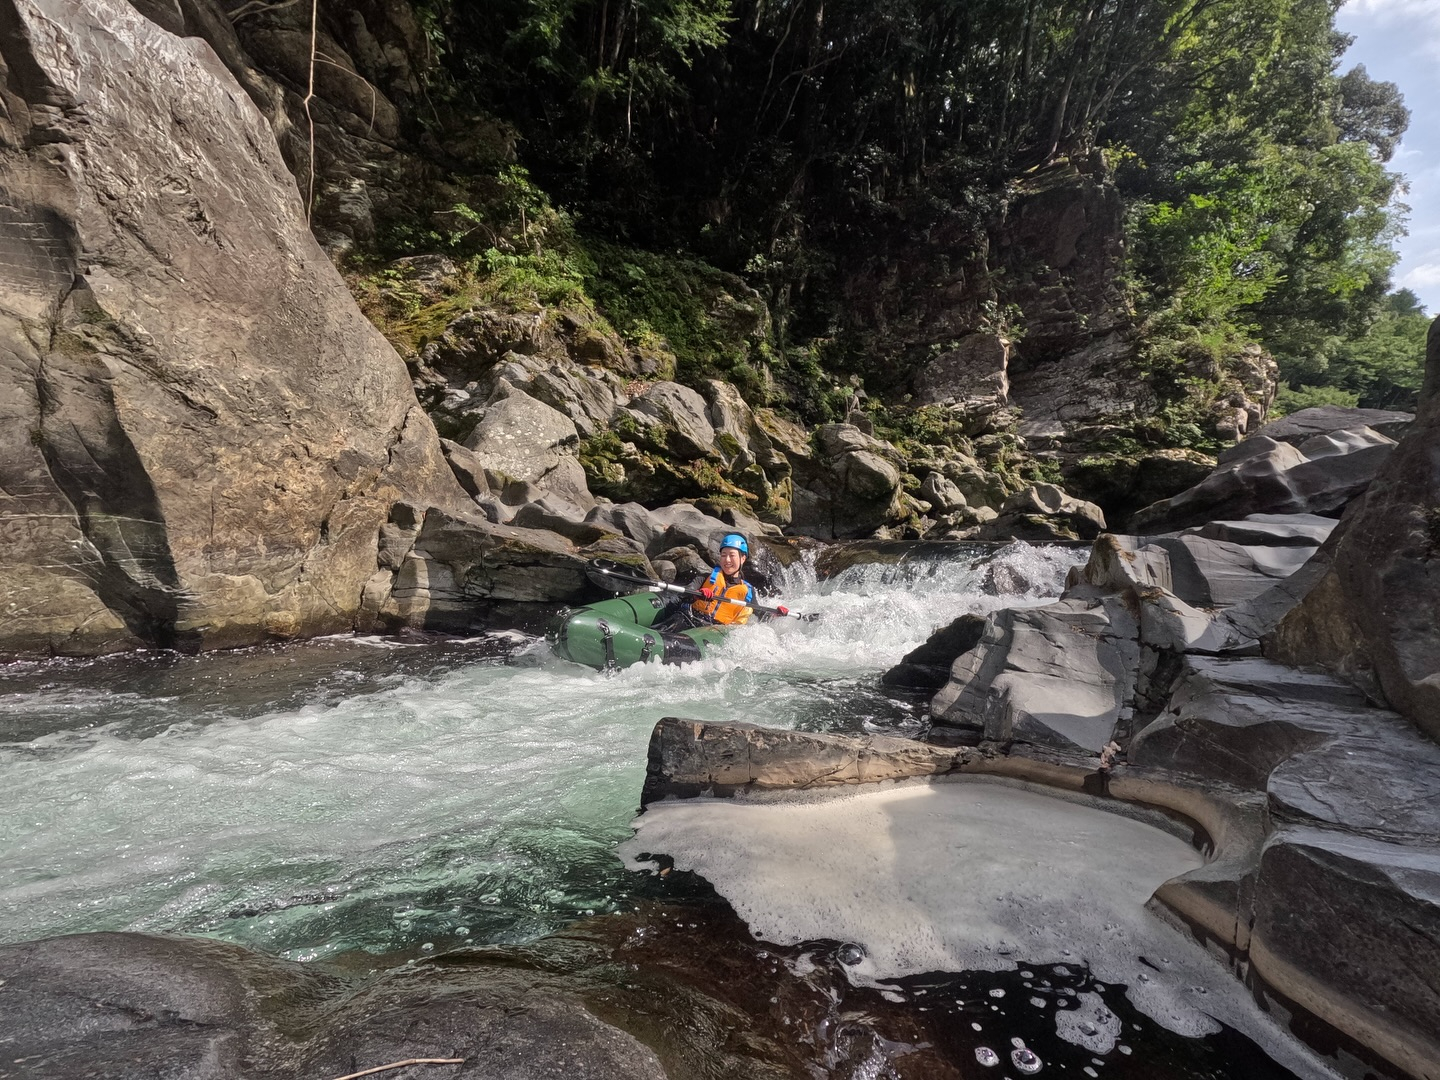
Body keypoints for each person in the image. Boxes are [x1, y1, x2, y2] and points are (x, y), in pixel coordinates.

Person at [655, 533, 759, 630]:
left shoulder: (748, 591)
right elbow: (685, 593)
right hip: (689, 618)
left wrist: (775, 612)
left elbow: (761, 613)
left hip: (714, 631)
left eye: (732, 555)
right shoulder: (705, 577)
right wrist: (697, 594)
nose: (727, 560)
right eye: (723, 555)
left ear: (743, 558)